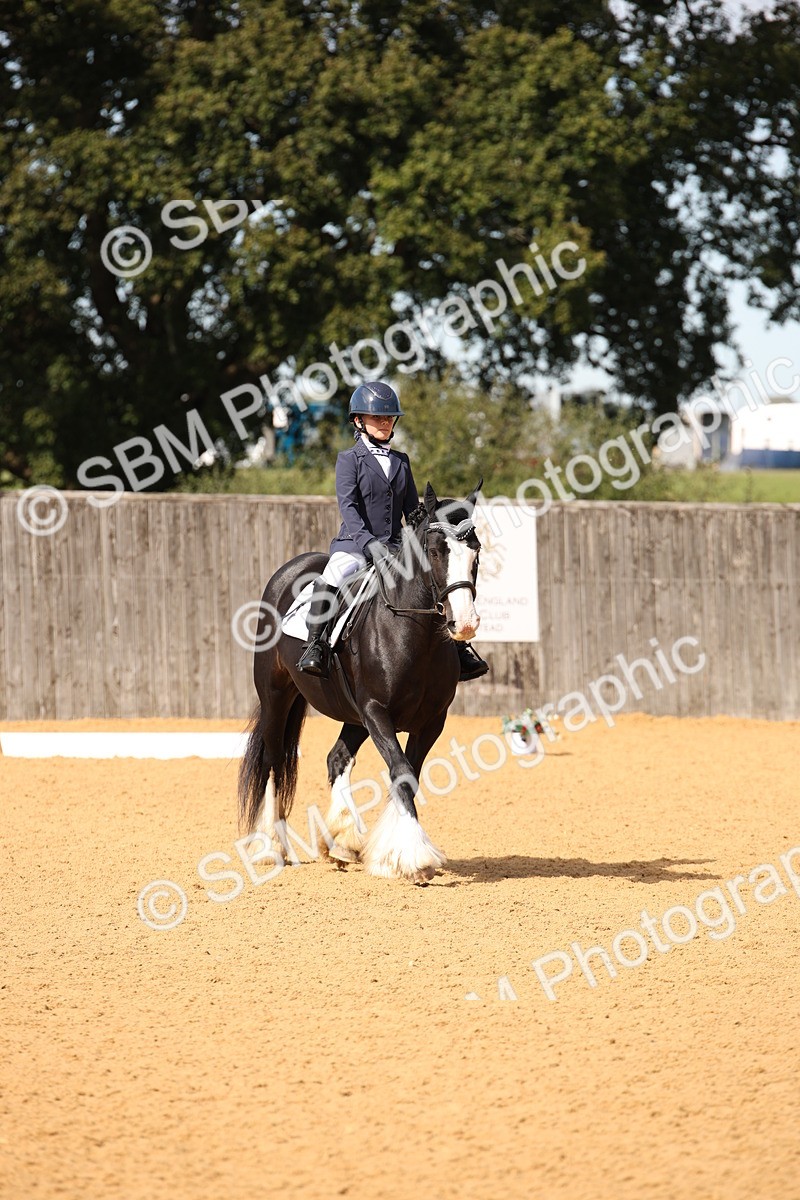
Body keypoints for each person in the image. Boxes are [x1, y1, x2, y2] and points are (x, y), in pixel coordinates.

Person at [297, 381, 489, 682]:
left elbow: (411, 511)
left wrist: (429, 521)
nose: (385, 422)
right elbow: (348, 508)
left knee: (432, 579)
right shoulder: (349, 460)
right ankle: (315, 645)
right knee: (333, 575)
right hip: (356, 544)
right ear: (358, 420)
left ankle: (458, 649)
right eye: (377, 417)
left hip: (396, 546)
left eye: (389, 417)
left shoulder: (401, 461)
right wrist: (368, 544)